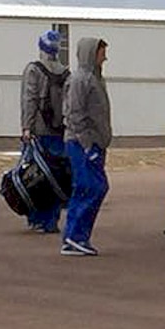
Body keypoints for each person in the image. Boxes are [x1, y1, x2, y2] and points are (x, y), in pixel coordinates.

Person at [60, 35, 113, 256]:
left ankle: (73, 236)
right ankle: (76, 235)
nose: (105, 56)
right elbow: (75, 113)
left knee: (85, 188)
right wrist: (87, 144)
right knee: (93, 187)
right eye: (101, 52)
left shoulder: (95, 78)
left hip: (94, 143)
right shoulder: (80, 80)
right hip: (82, 144)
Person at [19, 29, 67, 234]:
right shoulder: (65, 72)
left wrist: (26, 126)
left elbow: (29, 99)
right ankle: (52, 219)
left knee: (34, 175)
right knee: (56, 175)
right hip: (59, 132)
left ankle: (37, 218)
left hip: (38, 130)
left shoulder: (33, 70)